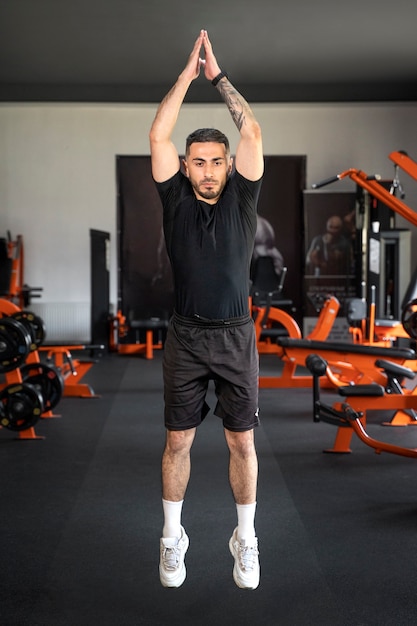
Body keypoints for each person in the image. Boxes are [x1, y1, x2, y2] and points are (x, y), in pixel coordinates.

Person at [149, 29, 264, 590]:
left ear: (227, 164)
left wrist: (216, 77)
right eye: (199, 162)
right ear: (187, 166)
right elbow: (158, 133)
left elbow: (255, 131)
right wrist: (185, 77)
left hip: (237, 335)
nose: (210, 170)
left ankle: (245, 537)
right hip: (187, 337)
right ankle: (173, 538)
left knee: (241, 441)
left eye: (217, 161)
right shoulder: (174, 200)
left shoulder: (244, 197)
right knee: (179, 440)